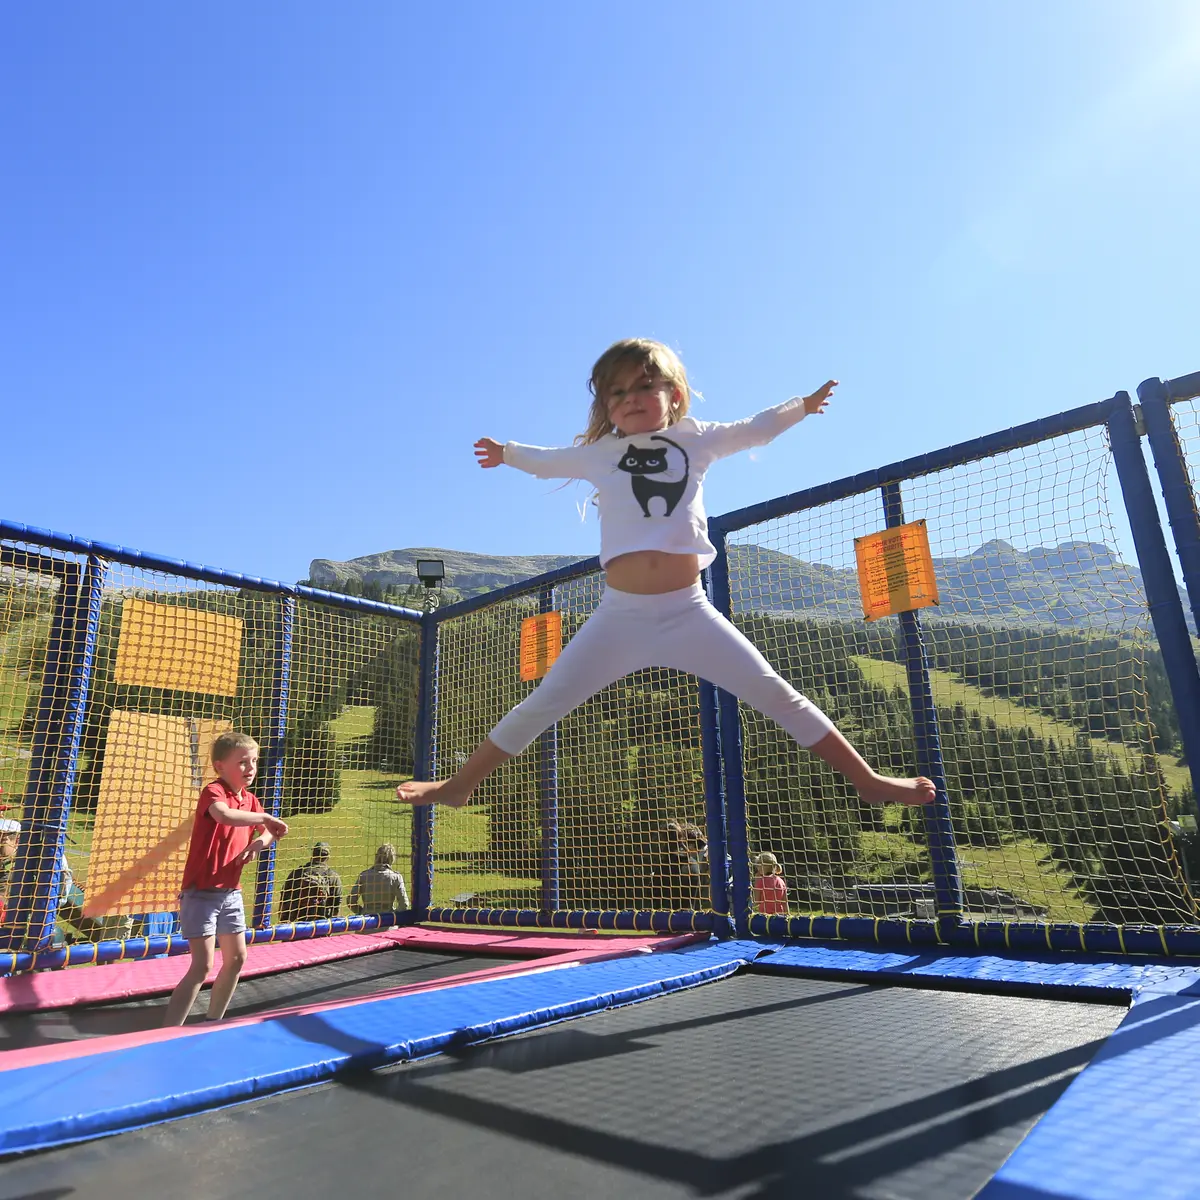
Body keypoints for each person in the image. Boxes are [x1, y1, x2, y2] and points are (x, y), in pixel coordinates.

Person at [396, 338, 936, 816]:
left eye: (644, 386)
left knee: (776, 693)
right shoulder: (600, 454)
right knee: (542, 703)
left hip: (688, 611)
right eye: (616, 393)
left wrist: (802, 407)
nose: (630, 398)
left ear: (674, 394)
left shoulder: (695, 438)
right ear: (605, 406)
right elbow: (549, 461)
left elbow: (754, 430)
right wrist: (507, 453)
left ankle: (868, 781)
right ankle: (460, 786)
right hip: (619, 616)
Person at [162, 731, 287, 1026]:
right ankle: (168, 1029)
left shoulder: (251, 800)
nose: (251, 768)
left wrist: (260, 842)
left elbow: (269, 832)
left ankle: (213, 1020)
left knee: (236, 959)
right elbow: (223, 816)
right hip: (201, 892)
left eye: (254, 761)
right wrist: (264, 819)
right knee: (202, 966)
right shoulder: (214, 791)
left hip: (230, 892)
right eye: (243, 762)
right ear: (220, 767)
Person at [277, 842, 343, 924]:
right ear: (327, 857)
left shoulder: (297, 873)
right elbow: (337, 903)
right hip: (322, 924)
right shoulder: (333, 876)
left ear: (313, 854)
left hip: (298, 924)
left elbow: (285, 897)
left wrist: (284, 921)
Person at [348, 843, 410, 915]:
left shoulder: (364, 876)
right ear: (392, 859)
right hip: (388, 923)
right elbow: (404, 904)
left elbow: (351, 901)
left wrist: (362, 912)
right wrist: (393, 916)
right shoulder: (396, 877)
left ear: (376, 857)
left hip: (367, 923)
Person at [753, 852, 788, 916]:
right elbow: (785, 903)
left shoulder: (761, 881)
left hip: (765, 917)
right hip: (779, 916)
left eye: (758, 865)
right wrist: (787, 916)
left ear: (764, 865)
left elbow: (756, 901)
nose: (757, 868)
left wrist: (756, 882)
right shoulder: (781, 881)